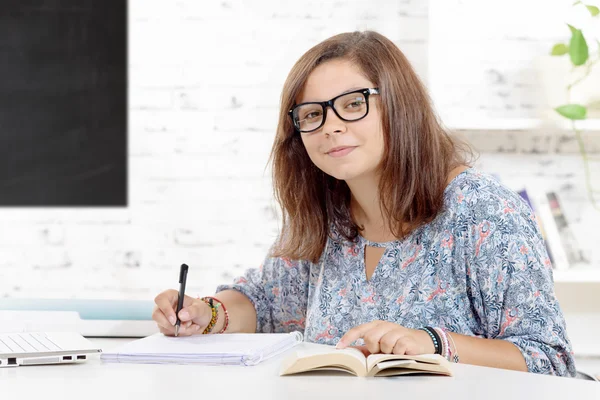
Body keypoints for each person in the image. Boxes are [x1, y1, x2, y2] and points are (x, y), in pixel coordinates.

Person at [152, 30, 576, 377]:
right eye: (312, 114)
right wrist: (204, 314)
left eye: (353, 104)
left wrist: (433, 343)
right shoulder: (325, 214)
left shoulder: (483, 211)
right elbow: (263, 303)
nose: (331, 127)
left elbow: (549, 360)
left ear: (398, 106)